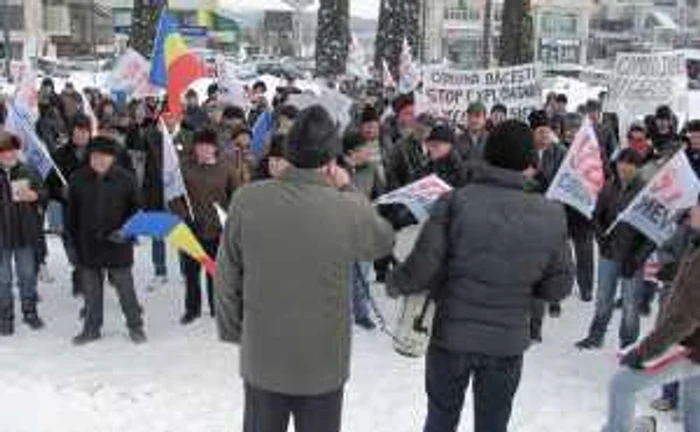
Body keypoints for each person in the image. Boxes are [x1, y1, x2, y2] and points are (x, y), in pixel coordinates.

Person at [214, 105, 395, 432]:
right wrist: (347, 187)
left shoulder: (248, 199)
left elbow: (226, 274)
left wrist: (233, 330)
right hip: (322, 364)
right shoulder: (345, 207)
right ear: (331, 160)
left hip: (263, 356)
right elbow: (382, 241)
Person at [386, 119, 573, 432]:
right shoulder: (551, 213)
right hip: (506, 342)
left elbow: (422, 268)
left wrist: (396, 282)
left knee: (440, 420)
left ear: (486, 155)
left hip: (451, 337)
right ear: (530, 164)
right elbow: (558, 287)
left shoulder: (455, 201)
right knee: (492, 425)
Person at [601, 204, 700, 432]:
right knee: (694, 402)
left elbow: (685, 319)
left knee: (622, 385)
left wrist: (643, 352)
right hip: (693, 345)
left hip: (691, 346)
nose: (692, 210)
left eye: (697, 205)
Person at [66, 136, 145, 345]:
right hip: (88, 244)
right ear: (89, 157)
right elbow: (71, 215)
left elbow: (137, 211)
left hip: (117, 244)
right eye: (95, 156)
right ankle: (91, 328)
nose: (99, 161)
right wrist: (72, 244)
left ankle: (135, 326)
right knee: (91, 292)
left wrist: (127, 231)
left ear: (113, 158)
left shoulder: (127, 179)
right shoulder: (77, 179)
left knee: (125, 289)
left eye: (105, 157)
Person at [576, 149, 651, 350]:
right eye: (621, 163)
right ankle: (595, 335)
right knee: (603, 298)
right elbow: (596, 215)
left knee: (630, 304)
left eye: (630, 163)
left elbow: (652, 233)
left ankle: (628, 342)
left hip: (632, 258)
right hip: (609, 254)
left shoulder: (646, 192)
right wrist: (601, 238)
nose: (624, 167)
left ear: (638, 168)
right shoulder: (609, 187)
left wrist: (637, 258)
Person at [174, 129, 238, 325]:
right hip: (190, 229)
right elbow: (174, 196)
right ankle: (191, 309)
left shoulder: (226, 169)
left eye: (207, 146)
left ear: (214, 148)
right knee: (191, 272)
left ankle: (216, 308)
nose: (203, 150)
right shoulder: (184, 167)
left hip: (216, 229)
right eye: (199, 146)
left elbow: (235, 196)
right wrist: (183, 216)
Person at [0, 132, 47, 335]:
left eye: (11, 150)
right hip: (1, 236)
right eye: (4, 151)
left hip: (24, 233)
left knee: (27, 274)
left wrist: (35, 195)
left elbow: (45, 193)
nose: (8, 154)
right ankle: (5, 316)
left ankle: (30, 311)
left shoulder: (28, 170)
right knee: (3, 279)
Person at [528, 110, 569, 337]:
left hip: (553, 215)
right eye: (540, 131)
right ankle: (534, 327)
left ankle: (553, 300)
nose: (544, 135)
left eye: (547, 131)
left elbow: (566, 180)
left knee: (553, 264)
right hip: (530, 216)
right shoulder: (525, 152)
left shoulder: (560, 152)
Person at [342, 131, 386, 330]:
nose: (369, 152)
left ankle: (361, 314)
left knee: (363, 274)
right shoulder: (333, 170)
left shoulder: (371, 169)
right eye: (365, 148)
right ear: (352, 152)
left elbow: (382, 194)